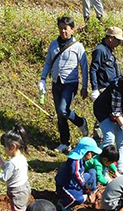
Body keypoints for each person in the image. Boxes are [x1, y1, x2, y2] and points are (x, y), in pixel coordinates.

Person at [39, 16, 89, 154]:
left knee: (63, 110)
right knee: (60, 115)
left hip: (70, 83)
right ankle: (65, 143)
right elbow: (48, 62)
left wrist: (85, 87)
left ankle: (81, 122)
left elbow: (84, 67)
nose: (63, 31)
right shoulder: (53, 44)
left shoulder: (78, 47)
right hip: (56, 82)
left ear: (72, 29)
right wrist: (43, 79)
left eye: (65, 29)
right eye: (60, 28)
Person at [55, 137, 101, 210]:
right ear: (85, 151)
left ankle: (93, 192)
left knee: (92, 172)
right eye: (92, 153)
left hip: (75, 182)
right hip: (66, 185)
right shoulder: (75, 160)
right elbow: (76, 175)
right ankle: (63, 205)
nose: (92, 156)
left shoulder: (81, 159)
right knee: (77, 199)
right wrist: (84, 186)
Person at [89, 27, 123, 101]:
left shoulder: (109, 50)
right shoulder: (100, 50)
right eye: (118, 41)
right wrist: (95, 89)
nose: (119, 44)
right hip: (103, 88)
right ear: (111, 38)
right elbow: (93, 69)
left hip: (111, 87)